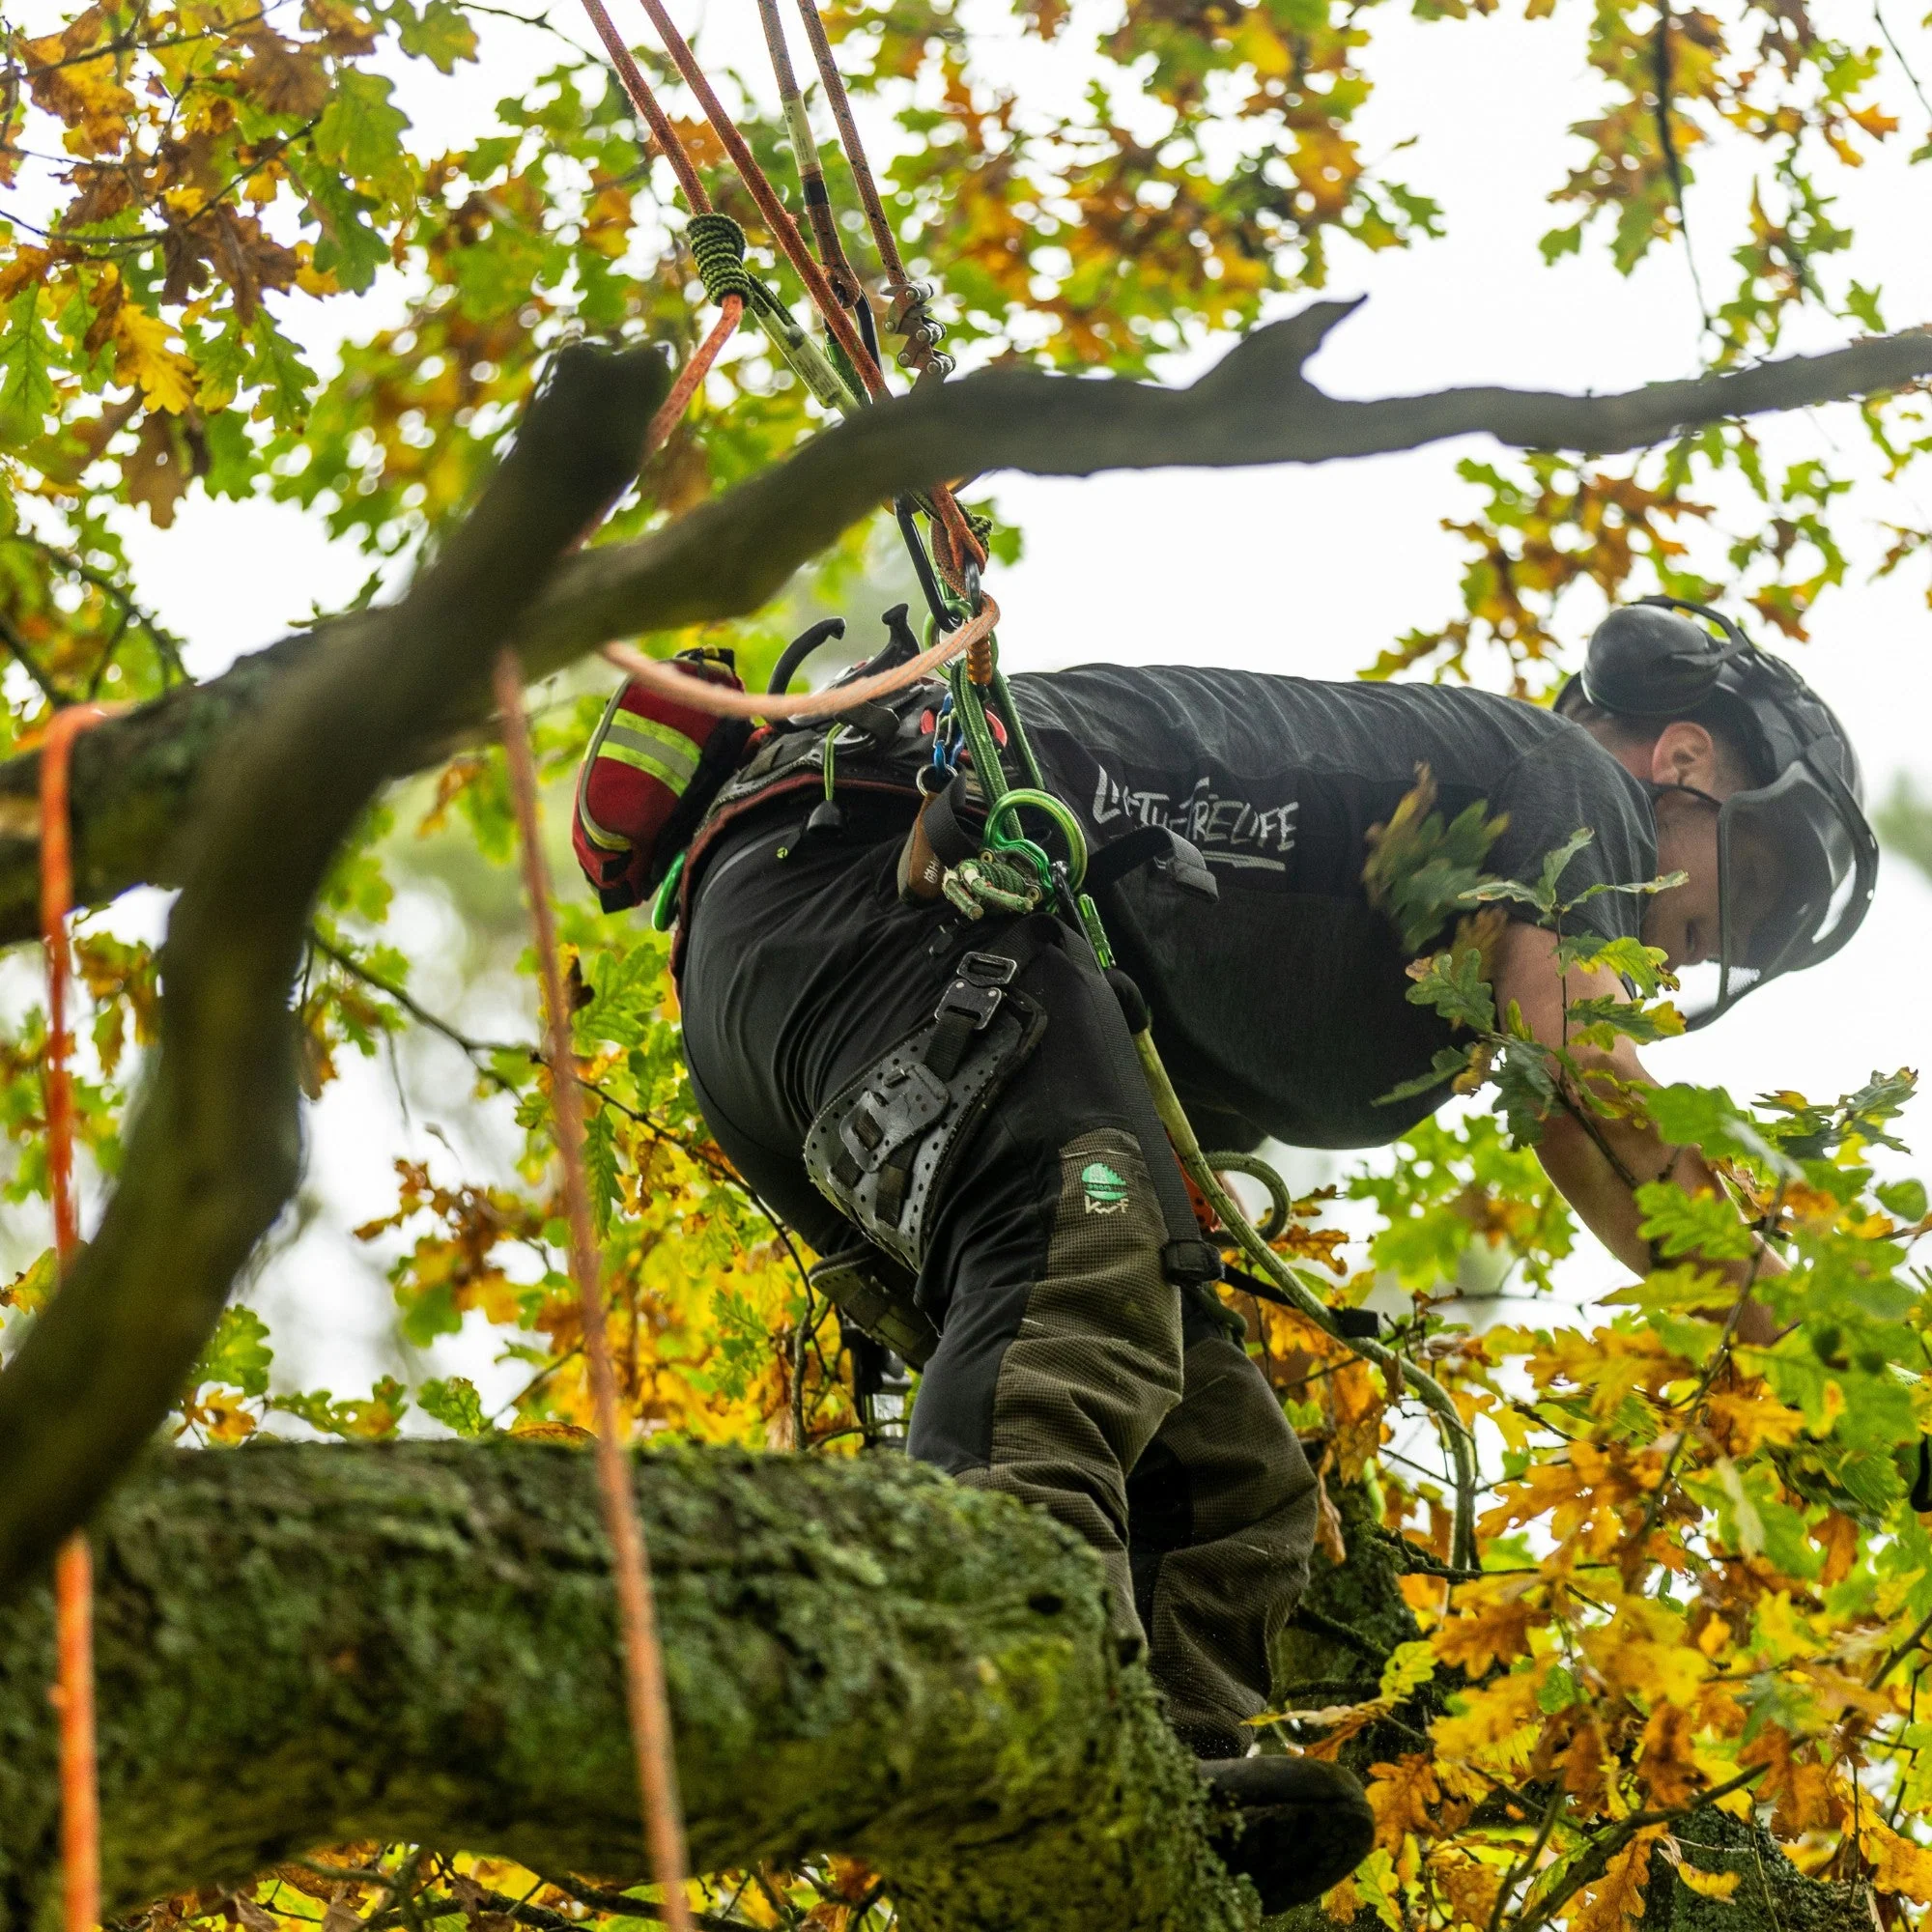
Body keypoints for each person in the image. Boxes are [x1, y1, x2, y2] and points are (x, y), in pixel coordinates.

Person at [578, 596, 1875, 1911]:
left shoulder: (1446, 942)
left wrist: (1799, 1361)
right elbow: (1587, 1086)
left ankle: (1150, 1810)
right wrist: (1838, 1354)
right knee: (1078, 1270)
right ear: (1685, 760)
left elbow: (1590, 1141)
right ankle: (1013, 1705)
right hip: (873, 898)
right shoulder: (1573, 787)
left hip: (816, 997)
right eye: (1755, 886)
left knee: (1229, 1485)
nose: (1717, 945)